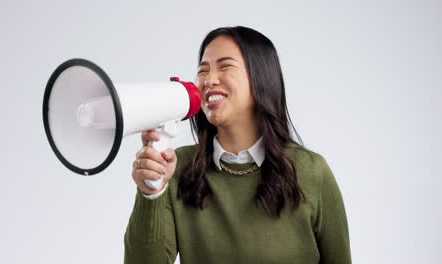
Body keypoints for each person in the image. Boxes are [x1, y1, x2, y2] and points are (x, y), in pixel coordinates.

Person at [124, 26, 351, 264]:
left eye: (225, 66)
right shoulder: (177, 169)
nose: (209, 80)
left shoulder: (310, 170)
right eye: (203, 70)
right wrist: (151, 193)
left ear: (260, 78)